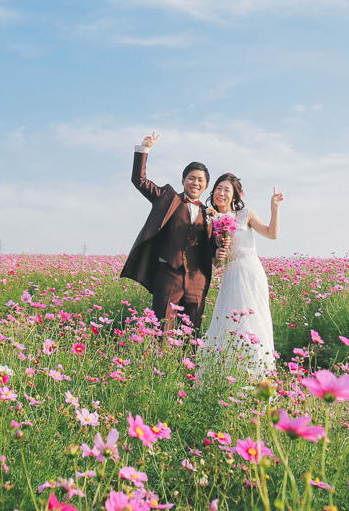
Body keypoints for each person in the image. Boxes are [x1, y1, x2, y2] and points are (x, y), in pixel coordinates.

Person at [121, 131, 222, 335]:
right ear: (183, 180)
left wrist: (219, 251)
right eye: (191, 178)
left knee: (192, 333)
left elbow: (211, 248)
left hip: (197, 279)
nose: (195, 183)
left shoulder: (210, 213)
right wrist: (144, 150)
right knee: (161, 330)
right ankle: (160, 365)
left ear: (206, 185)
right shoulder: (168, 198)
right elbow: (139, 180)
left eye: (200, 180)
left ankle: (188, 366)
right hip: (168, 274)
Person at [200, 173, 283, 377]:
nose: (221, 193)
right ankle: (225, 375)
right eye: (219, 188)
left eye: (227, 189)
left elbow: (272, 234)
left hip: (250, 271)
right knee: (228, 320)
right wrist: (218, 255)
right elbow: (215, 262)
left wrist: (274, 207)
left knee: (254, 320)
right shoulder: (209, 218)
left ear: (235, 195)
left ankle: (257, 375)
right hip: (230, 275)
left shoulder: (245, 214)